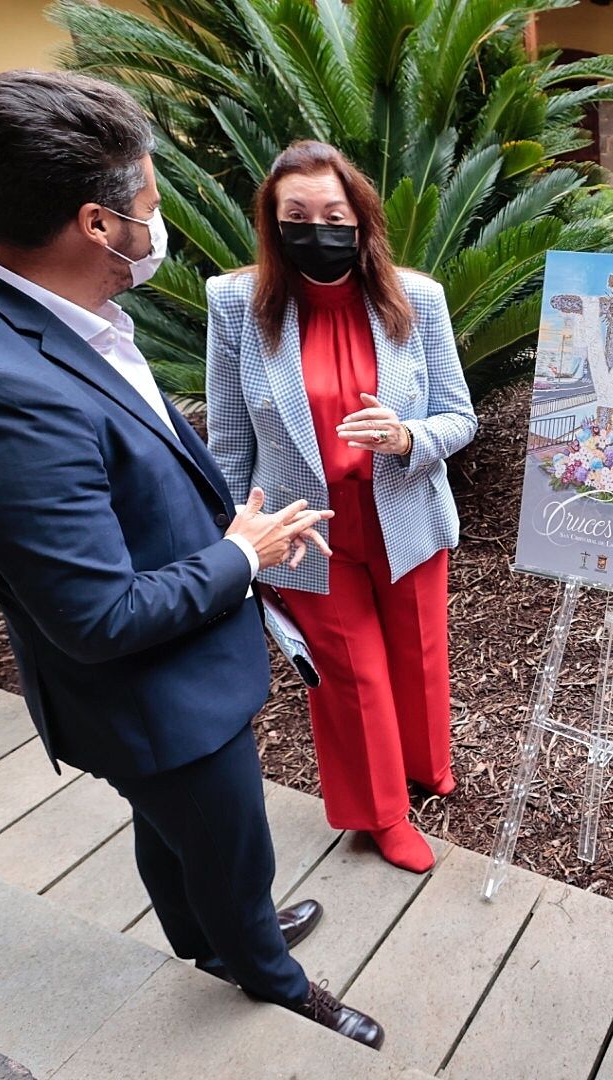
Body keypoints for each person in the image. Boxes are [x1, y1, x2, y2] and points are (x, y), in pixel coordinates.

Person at [0, 71, 383, 1048]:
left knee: (181, 833)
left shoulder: (49, 312)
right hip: (149, 693)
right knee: (227, 840)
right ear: (96, 222)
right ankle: (267, 973)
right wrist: (241, 555)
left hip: (174, 677)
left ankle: (205, 940)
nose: (157, 223)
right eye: (151, 204)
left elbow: (113, 459)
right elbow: (97, 616)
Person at [205, 141, 476, 874]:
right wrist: (240, 530)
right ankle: (381, 815)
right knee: (350, 678)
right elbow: (228, 432)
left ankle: (425, 768)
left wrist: (406, 435)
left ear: (361, 219)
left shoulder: (414, 298)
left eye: (333, 214)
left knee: (418, 656)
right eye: (297, 215)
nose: (316, 229)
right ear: (273, 221)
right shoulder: (236, 304)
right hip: (305, 537)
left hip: (404, 515)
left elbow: (460, 416)